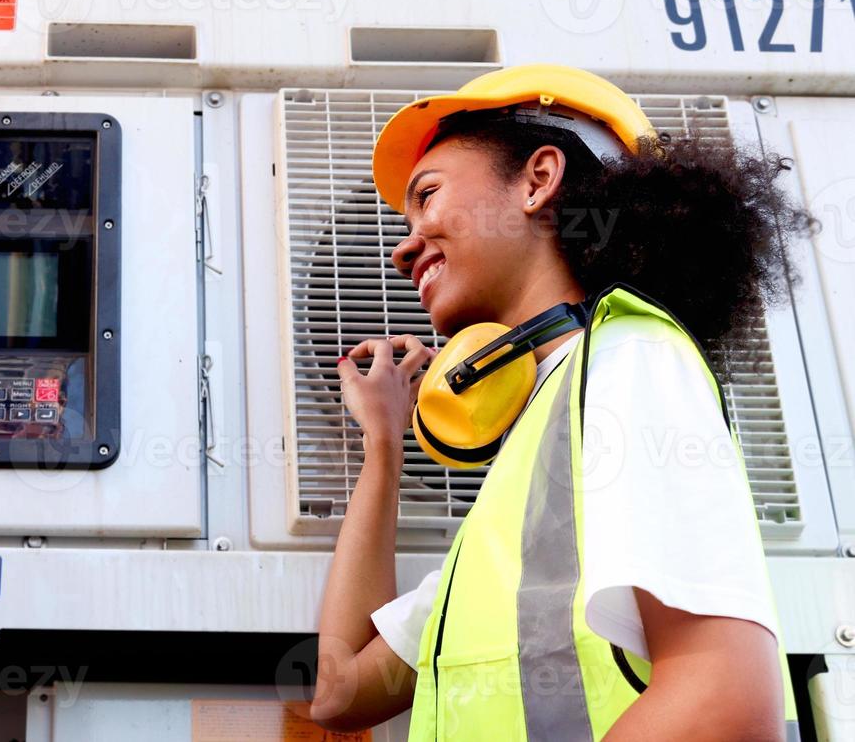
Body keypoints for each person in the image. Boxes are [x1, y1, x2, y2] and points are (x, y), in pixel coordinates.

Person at [309, 65, 809, 740]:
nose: (403, 247)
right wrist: (383, 446)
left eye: (427, 196)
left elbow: (727, 698)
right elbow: (341, 692)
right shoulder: (520, 494)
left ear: (538, 180)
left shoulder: (630, 358)